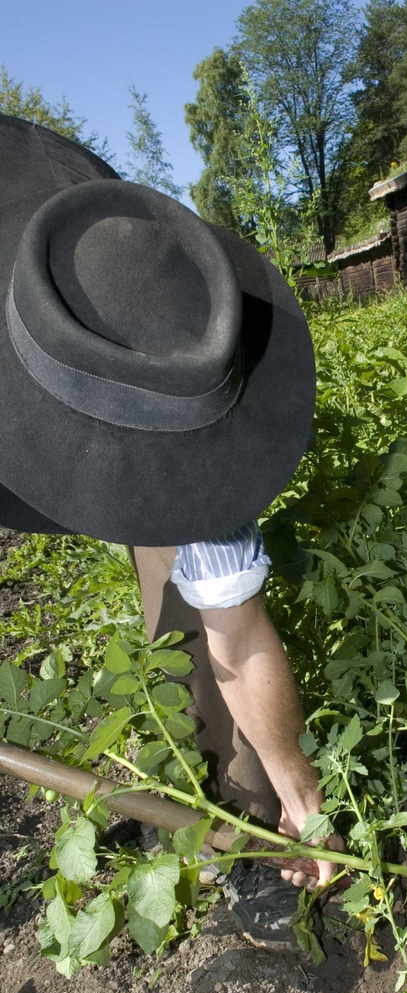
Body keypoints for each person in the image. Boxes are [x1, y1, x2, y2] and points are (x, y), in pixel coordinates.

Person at [0, 115, 343, 950]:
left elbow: (238, 628)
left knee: (192, 593)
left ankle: (239, 814)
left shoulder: (156, 308)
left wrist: (299, 789)